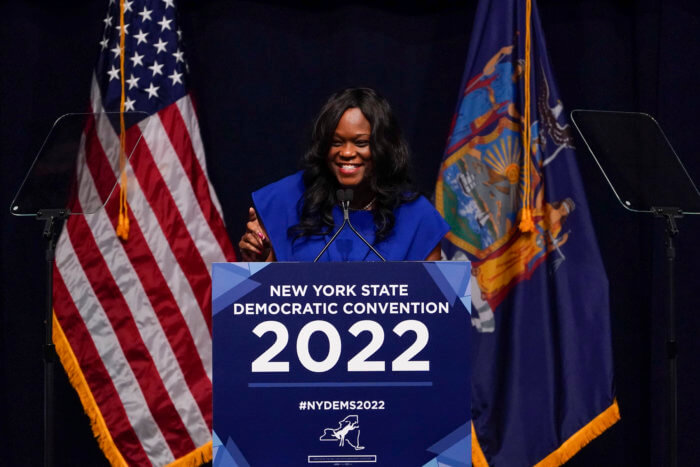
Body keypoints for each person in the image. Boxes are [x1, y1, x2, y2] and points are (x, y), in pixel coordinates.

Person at [239, 87, 449, 262]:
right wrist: (260, 261)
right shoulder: (283, 201)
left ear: (384, 147)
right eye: (336, 142)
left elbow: (438, 302)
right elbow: (258, 299)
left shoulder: (417, 217)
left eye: (361, 143)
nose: (346, 153)